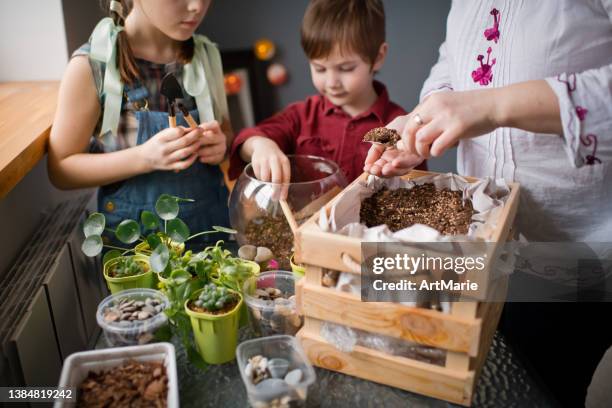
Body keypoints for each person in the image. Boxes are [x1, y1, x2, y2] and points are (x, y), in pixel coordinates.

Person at [364, 2, 612, 406]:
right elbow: (453, 62)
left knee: (537, 388)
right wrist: (421, 120)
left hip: (572, 256)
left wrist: (491, 105)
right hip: (483, 240)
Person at [48, 0, 231, 247]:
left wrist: (221, 145)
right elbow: (61, 169)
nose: (197, 6)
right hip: (139, 256)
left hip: (212, 238)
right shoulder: (91, 67)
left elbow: (228, 133)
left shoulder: (205, 57)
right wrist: (145, 158)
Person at [228, 0, 426, 184]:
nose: (332, 83)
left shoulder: (398, 126)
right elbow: (246, 139)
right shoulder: (300, 116)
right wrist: (260, 145)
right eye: (320, 69)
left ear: (378, 57)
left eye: (346, 68)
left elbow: (419, 187)